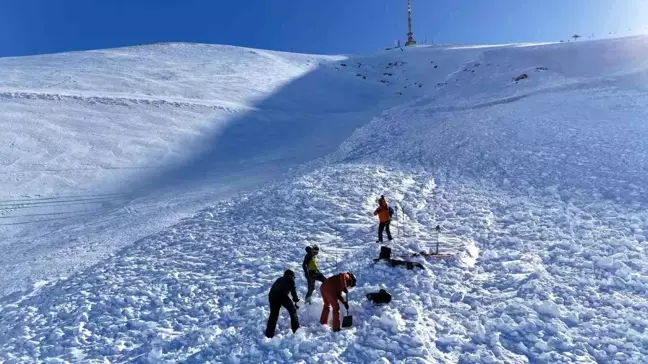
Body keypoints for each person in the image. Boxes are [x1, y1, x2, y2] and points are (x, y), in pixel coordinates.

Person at [265, 269, 300, 338]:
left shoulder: (279, 279)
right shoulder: (290, 279)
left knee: (273, 315)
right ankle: (296, 330)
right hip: (281, 295)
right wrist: (295, 300)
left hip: (272, 296)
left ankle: (269, 334)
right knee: (293, 311)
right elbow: (293, 291)